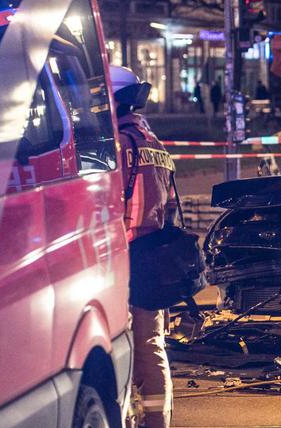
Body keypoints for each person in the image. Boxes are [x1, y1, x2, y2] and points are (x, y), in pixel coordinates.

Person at [109, 65, 176, 428]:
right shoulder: (152, 140)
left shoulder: (120, 144)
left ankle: (148, 421)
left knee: (136, 344)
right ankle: (157, 418)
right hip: (154, 253)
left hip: (128, 252)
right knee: (152, 342)